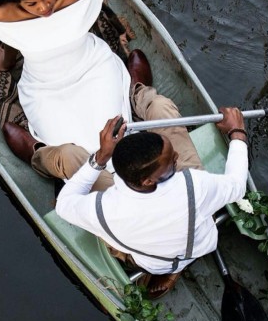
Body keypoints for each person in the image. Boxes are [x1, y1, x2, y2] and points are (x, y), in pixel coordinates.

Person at [0, 0, 136, 189]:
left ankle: (124, 177)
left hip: (93, 67)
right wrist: (6, 63)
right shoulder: (3, 13)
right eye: (31, 4)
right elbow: (12, 39)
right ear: (16, 1)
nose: (44, 7)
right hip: (45, 86)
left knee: (112, 132)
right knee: (73, 146)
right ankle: (105, 186)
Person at [55, 108, 248, 299]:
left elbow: (64, 204)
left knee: (67, 156)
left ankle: (135, 92)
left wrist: (101, 157)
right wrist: (237, 132)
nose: (177, 157)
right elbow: (237, 186)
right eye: (172, 163)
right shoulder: (195, 185)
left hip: (153, 263)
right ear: (147, 181)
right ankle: (177, 269)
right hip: (198, 245)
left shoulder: (102, 209)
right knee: (161, 107)